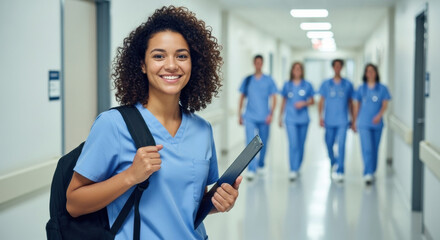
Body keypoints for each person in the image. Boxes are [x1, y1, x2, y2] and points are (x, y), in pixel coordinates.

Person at [65, 6, 242, 239]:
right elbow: (74, 203)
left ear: (193, 64)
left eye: (182, 56)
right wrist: (130, 176)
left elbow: (188, 206)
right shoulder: (113, 125)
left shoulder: (202, 130)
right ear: (142, 64)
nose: (171, 65)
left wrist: (218, 202)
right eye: (159, 56)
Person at [238, 55, 278, 180]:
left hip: (264, 116)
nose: (258, 65)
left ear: (263, 64)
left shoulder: (269, 80)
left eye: (260, 62)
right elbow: (242, 97)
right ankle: (251, 168)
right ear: (254, 64)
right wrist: (240, 113)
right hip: (249, 116)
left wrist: (271, 114)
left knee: (263, 142)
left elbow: (274, 97)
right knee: (251, 142)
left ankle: (261, 164)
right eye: (256, 62)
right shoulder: (248, 79)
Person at [318, 59, 355, 182]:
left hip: (343, 120)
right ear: (333, 68)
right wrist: (320, 117)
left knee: (342, 145)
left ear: (342, 68)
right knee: (328, 143)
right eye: (336, 66)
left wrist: (353, 119)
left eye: (340, 66)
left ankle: (340, 170)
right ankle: (333, 161)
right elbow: (321, 101)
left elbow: (351, 103)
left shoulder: (347, 85)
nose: (337, 68)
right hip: (329, 120)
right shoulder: (326, 84)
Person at [354, 63, 391, 185]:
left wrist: (379, 116)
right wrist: (355, 120)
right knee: (367, 148)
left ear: (376, 73)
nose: (370, 73)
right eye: (367, 71)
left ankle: (372, 170)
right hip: (363, 123)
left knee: (375, 148)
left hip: (377, 123)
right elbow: (357, 105)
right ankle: (367, 172)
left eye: (372, 71)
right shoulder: (361, 88)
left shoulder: (382, 88)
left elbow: (385, 104)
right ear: (365, 74)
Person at [279, 62, 315, 181]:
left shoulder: (307, 85)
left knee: (300, 144)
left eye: (299, 69)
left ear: (302, 71)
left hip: (303, 119)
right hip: (290, 119)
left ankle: (298, 166)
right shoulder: (287, 85)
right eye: (295, 69)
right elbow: (283, 101)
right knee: (293, 144)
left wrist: (303, 103)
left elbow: (312, 101)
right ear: (292, 71)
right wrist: (280, 117)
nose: (297, 71)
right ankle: (292, 169)